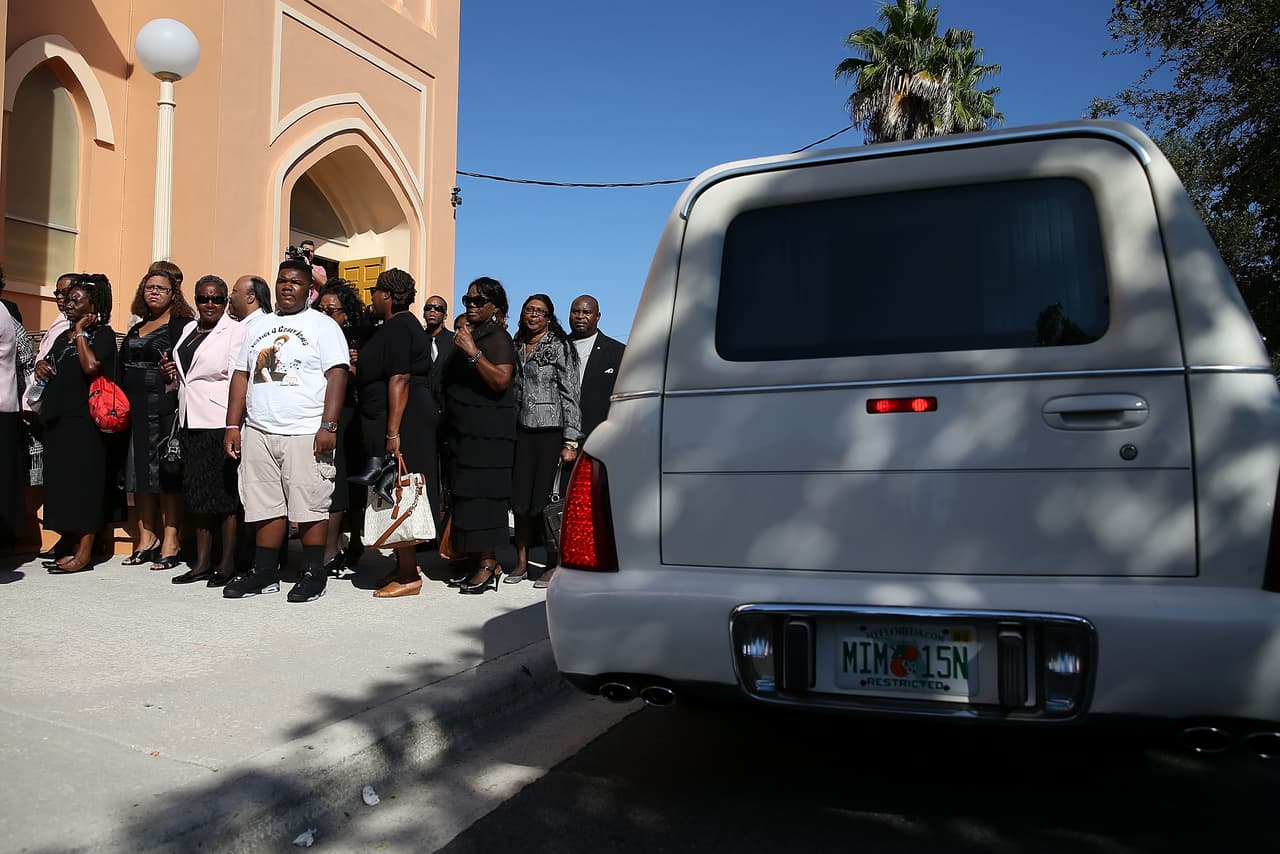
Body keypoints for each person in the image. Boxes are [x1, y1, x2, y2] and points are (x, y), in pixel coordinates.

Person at [222, 259, 349, 603]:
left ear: (310, 290)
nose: (287, 287)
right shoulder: (257, 326)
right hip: (259, 431)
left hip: (306, 430)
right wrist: (233, 424)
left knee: (310, 504)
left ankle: (313, 572)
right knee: (263, 504)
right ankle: (264, 572)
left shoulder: (322, 326)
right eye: (282, 281)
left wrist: (329, 425)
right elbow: (241, 376)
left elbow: (338, 375)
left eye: (295, 282)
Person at [356, 269, 438, 597]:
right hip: (399, 417)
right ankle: (403, 564)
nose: (372, 298)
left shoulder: (399, 327)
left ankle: (408, 576)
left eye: (375, 292)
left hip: (402, 421)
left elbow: (400, 378)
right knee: (394, 489)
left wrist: (392, 432)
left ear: (388, 295)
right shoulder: (401, 326)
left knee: (399, 491)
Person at [162, 275, 247, 586]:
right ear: (195, 300)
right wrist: (169, 376)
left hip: (219, 421)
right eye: (203, 298)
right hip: (190, 420)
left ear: (225, 302)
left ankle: (226, 563)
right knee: (197, 493)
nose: (209, 304)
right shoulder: (188, 329)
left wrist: (233, 424)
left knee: (224, 496)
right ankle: (200, 563)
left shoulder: (235, 331)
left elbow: (238, 377)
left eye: (216, 299)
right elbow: (186, 377)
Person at [36, 274, 117, 573]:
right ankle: (70, 543)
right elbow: (53, 364)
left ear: (92, 306)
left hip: (86, 424)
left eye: (75, 301)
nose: (68, 305)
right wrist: (41, 365)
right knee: (64, 486)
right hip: (59, 421)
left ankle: (84, 553)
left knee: (86, 487)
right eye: (68, 300)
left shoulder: (103, 335)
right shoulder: (62, 336)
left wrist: (82, 332)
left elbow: (91, 366)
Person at [441, 277, 517, 594]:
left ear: (495, 308)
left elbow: (501, 380)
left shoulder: (498, 337)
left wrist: (472, 352)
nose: (471, 305)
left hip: (489, 437)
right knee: (469, 498)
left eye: (479, 301)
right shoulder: (475, 333)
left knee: (485, 499)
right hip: (466, 433)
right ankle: (480, 560)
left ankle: (488, 563)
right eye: (468, 299)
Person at [119, 267, 194, 570]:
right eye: (149, 287)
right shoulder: (138, 327)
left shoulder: (182, 325)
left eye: (161, 288)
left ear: (173, 294)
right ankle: (146, 538)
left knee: (167, 475)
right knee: (139, 474)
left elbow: (188, 365)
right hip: (135, 408)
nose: (154, 292)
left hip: (165, 407)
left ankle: (172, 540)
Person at [505, 294, 581, 587]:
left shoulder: (560, 346)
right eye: (529, 310)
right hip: (520, 429)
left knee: (548, 500)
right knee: (521, 500)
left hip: (550, 431)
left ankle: (552, 564)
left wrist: (571, 441)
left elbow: (570, 393)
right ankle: (521, 563)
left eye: (540, 311)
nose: (533, 315)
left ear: (549, 318)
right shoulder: (516, 343)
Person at [312, 279, 368, 574]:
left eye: (332, 310)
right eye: (320, 308)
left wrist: (356, 366)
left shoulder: (356, 338)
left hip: (347, 417)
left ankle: (335, 549)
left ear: (347, 313)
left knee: (342, 484)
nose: (325, 314)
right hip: (314, 412)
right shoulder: (311, 332)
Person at [568, 294, 626, 439]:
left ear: (598, 316)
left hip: (598, 437)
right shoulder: (556, 347)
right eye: (575, 312)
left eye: (587, 312)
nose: (580, 316)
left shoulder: (618, 352)